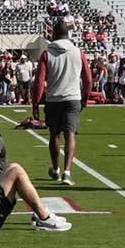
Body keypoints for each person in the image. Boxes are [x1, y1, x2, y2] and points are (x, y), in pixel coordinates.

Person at [33, 19, 91, 186]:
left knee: (54, 135)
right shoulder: (78, 52)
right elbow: (87, 79)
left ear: (53, 34)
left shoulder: (46, 53)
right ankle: (67, 172)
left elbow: (39, 81)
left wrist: (36, 103)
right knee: (70, 134)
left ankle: (56, 168)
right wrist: (85, 99)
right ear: (68, 34)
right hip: (73, 98)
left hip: (53, 98)